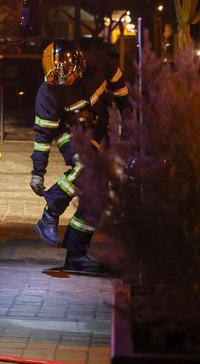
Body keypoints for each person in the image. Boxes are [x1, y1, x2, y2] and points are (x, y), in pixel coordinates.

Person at [30, 40, 129, 274]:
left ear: (80, 66)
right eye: (56, 79)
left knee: (99, 194)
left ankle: (76, 255)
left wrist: (131, 124)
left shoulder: (101, 65)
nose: (63, 84)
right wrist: (37, 173)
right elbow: (43, 138)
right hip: (68, 132)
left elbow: (122, 92)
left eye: (67, 78)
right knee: (87, 163)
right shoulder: (48, 93)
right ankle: (51, 212)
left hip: (99, 132)